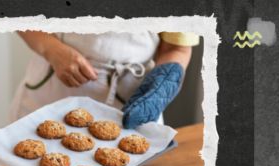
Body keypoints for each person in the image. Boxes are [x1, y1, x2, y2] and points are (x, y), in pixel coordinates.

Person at [11, 31, 199, 129]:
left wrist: (162, 86)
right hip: (50, 91)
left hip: (132, 101)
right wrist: (51, 50)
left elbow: (177, 48)